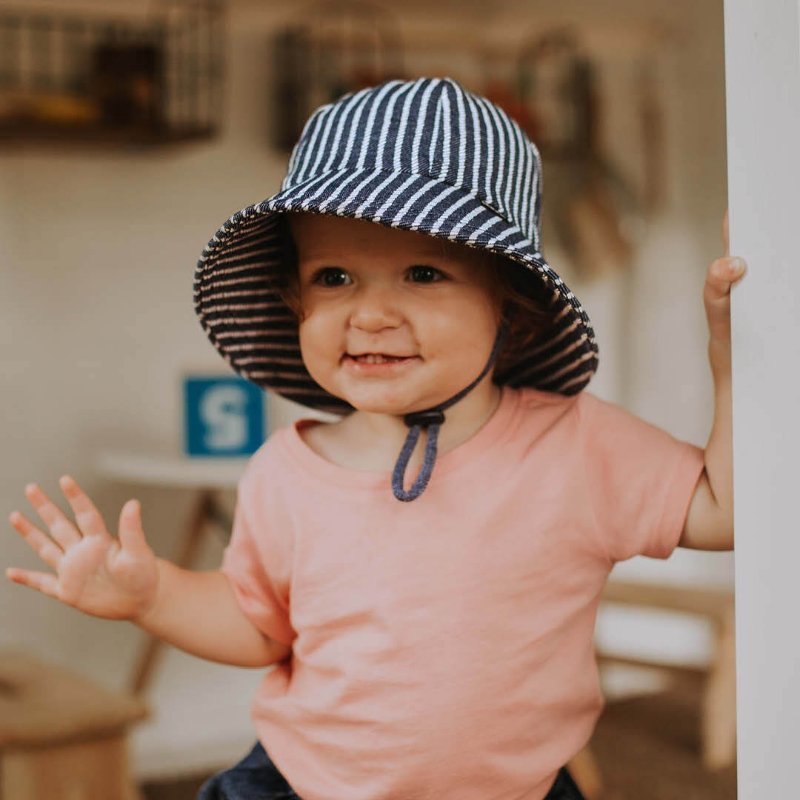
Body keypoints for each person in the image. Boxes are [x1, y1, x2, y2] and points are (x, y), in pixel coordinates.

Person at [5, 78, 745, 800]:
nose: (369, 314)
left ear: (510, 309)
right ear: (295, 298)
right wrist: (150, 594)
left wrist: (733, 368)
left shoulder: (578, 446)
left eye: (423, 272)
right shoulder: (286, 471)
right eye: (333, 277)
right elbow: (257, 627)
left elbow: (726, 511)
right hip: (302, 783)